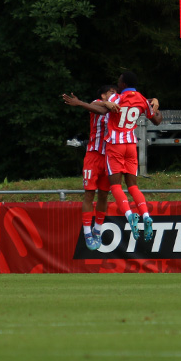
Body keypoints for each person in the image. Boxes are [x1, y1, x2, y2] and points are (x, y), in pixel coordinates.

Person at [104, 70, 162, 242]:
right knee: (133, 186)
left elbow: (101, 107)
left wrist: (105, 103)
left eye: (119, 81)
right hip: (131, 144)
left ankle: (130, 215)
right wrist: (156, 103)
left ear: (122, 85)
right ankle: (145, 215)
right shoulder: (142, 99)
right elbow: (156, 119)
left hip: (115, 144)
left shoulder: (117, 98)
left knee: (115, 186)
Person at [62, 85, 119, 250]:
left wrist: (153, 101)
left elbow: (136, 102)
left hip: (109, 156)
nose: (115, 96)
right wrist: (80, 103)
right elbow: (101, 111)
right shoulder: (96, 103)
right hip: (93, 156)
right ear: (102, 95)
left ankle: (98, 229)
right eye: (111, 93)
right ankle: (87, 231)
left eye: (116, 93)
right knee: (89, 194)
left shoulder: (117, 107)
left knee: (104, 195)